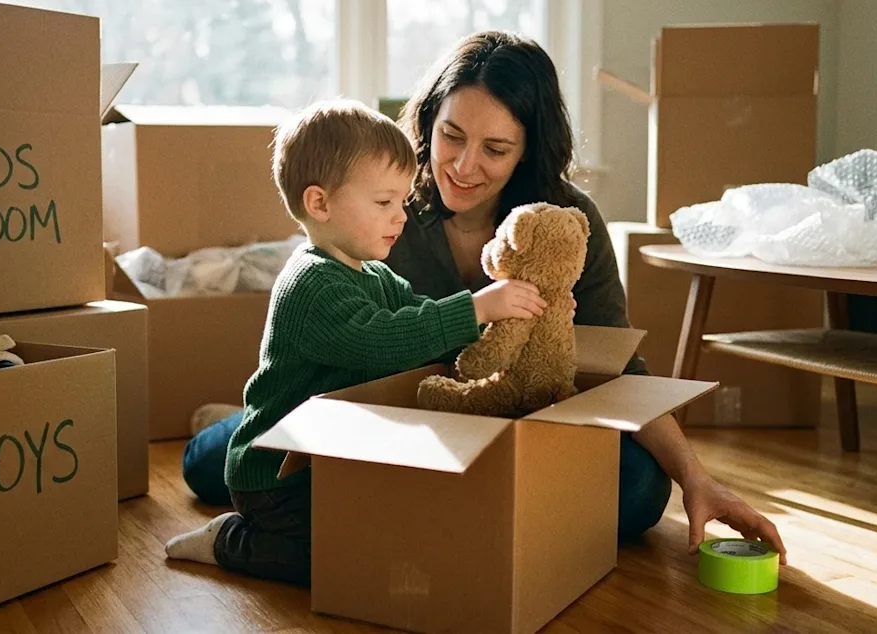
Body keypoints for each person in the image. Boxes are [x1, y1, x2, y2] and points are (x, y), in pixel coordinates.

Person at [181, 30, 787, 565]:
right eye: (451, 136)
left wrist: (696, 477)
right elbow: (360, 320)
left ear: (528, 150)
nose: (464, 167)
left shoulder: (564, 224)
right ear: (427, 123)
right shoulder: (390, 204)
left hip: (517, 422)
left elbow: (617, 367)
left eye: (495, 149)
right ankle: (245, 419)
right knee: (218, 467)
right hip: (394, 414)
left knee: (634, 495)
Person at [163, 98, 550, 585]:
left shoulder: (376, 275)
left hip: (334, 459)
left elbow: (419, 324)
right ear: (319, 203)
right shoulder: (310, 284)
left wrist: (504, 339)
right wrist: (476, 308)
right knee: (341, 559)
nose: (400, 217)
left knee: (395, 533)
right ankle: (231, 541)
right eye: (384, 203)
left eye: (402, 202)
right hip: (277, 475)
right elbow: (382, 341)